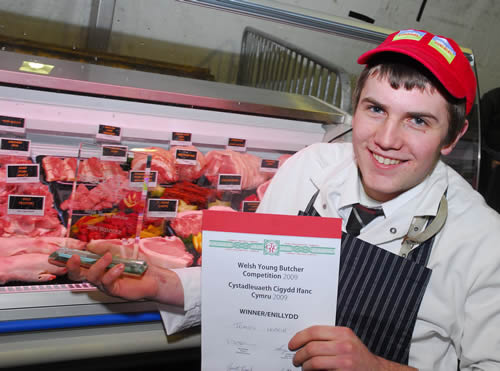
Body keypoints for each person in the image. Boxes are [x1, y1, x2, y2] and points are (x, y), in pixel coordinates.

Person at [65, 29, 500, 370]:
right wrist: (161, 284)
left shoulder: (482, 240)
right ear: (356, 106)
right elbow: (255, 283)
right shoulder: (310, 169)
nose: (386, 140)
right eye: (376, 109)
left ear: (453, 137)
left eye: (418, 121)